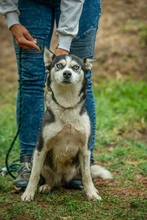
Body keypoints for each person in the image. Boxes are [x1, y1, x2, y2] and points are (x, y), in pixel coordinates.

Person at [0, 0, 101, 189]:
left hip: (81, 4)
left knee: (81, 77)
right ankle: (29, 162)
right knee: (31, 79)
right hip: (30, 3)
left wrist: (64, 44)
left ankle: (81, 165)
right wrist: (12, 19)